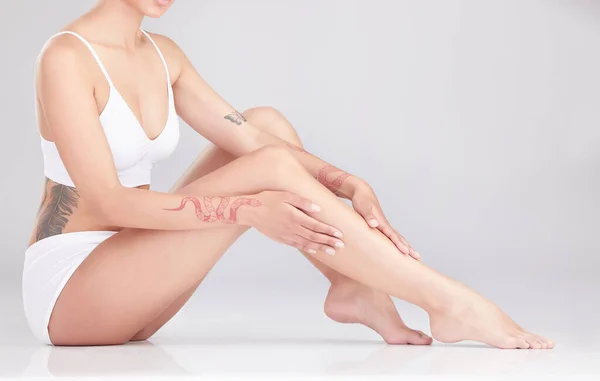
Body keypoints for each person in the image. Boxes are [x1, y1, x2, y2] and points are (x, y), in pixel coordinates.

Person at [23, 0, 554, 349]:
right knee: (268, 169)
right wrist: (249, 211)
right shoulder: (66, 57)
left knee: (265, 123)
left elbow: (252, 139)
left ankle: (351, 286)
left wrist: (346, 183)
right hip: (73, 295)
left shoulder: (164, 55)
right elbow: (110, 202)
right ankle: (451, 303)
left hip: (136, 283)